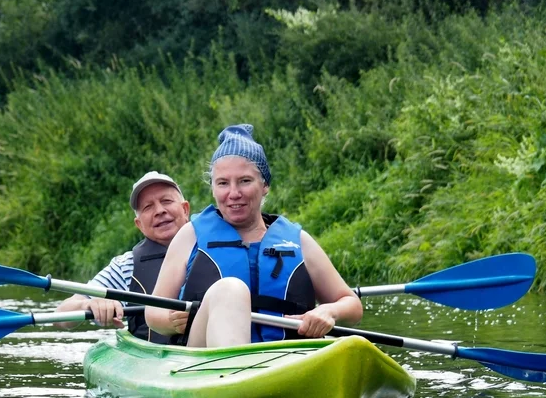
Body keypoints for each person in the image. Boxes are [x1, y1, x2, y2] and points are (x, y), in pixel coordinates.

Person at [145, 124, 362, 348]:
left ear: (265, 184)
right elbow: (153, 312)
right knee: (230, 289)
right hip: (203, 361)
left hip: (285, 359)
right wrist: (169, 321)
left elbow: (352, 305)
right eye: (222, 183)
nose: (233, 193)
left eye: (244, 181)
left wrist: (329, 311)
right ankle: (233, 374)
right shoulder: (190, 236)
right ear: (213, 188)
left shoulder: (298, 241)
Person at [54, 171, 190, 342]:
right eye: (148, 207)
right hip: (155, 360)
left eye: (166, 201)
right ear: (139, 224)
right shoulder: (126, 266)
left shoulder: (215, 248)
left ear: (185, 209)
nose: (160, 211)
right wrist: (87, 304)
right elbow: (61, 316)